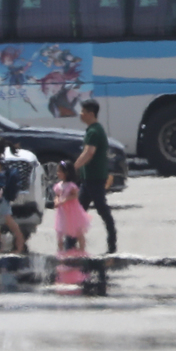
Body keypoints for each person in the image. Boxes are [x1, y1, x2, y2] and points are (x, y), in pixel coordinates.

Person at [73, 99, 116, 254]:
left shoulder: (94, 131)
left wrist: (75, 166)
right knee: (80, 209)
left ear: (91, 114)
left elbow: (89, 153)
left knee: (101, 208)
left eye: (83, 111)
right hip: (89, 178)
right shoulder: (94, 129)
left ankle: (112, 240)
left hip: (94, 177)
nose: (81, 114)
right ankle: (70, 242)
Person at [54, 161, 91, 252]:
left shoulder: (71, 186)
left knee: (78, 231)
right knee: (60, 233)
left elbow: (75, 195)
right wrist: (56, 201)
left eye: (60, 171)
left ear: (66, 173)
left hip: (72, 211)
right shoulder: (58, 186)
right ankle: (60, 250)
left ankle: (82, 249)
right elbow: (57, 195)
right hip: (62, 212)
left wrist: (66, 199)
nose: (57, 173)